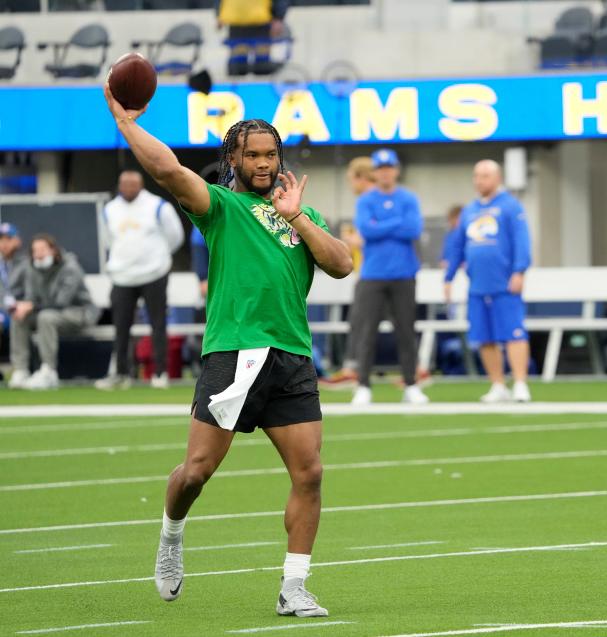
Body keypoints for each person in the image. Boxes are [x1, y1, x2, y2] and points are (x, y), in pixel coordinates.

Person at [104, 84, 353, 616]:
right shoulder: (219, 206)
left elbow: (341, 265)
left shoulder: (299, 215)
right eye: (253, 155)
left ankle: (294, 586)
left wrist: (299, 217)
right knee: (196, 471)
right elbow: (169, 171)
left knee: (309, 473)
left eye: (271, 155)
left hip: (292, 357)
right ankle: (171, 536)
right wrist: (127, 125)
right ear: (233, 160)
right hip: (234, 354)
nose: (264, 164)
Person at [444, 160, 532, 403]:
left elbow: (522, 241)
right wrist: (449, 276)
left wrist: (519, 271)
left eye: (484, 176)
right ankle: (497, 384)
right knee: (484, 336)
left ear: (497, 177)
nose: (479, 180)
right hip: (477, 285)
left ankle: (521, 383)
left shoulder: (510, 206)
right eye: (476, 176)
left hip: (503, 283)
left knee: (514, 333)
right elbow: (458, 245)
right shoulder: (470, 210)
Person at [350, 148, 429, 406]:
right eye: (380, 169)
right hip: (372, 274)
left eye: (389, 168)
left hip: (404, 273)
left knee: (406, 330)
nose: (385, 173)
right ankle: (363, 384)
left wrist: (382, 224)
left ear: (396, 170)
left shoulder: (409, 198)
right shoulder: (365, 201)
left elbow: (414, 228)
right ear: (376, 172)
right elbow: (366, 230)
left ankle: (411, 383)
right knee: (367, 331)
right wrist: (395, 222)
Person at [95, 170, 185, 390]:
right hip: (122, 275)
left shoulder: (158, 206)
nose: (128, 188)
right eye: (124, 184)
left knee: (158, 324)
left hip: (154, 273)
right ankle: (121, 373)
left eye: (132, 184)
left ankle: (160, 373)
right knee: (121, 326)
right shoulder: (109, 209)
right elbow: (108, 240)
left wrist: (159, 257)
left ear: (141, 185)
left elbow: (175, 236)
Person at [9, 233, 99, 390]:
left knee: (45, 317)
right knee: (19, 317)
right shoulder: (32, 267)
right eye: (35, 250)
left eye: (43, 249)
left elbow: (61, 302)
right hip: (49, 313)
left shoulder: (70, 266)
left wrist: (32, 306)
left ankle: (48, 371)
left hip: (79, 312)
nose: (39, 254)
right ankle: (20, 370)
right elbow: (31, 297)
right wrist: (23, 307)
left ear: (53, 250)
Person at [319, 156, 375, 391]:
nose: (351, 185)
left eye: (352, 179)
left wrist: (353, 240)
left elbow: (373, 236)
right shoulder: (368, 200)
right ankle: (355, 369)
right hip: (367, 271)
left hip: (374, 272)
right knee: (363, 321)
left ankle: (353, 370)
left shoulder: (370, 200)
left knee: (361, 321)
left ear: (361, 178)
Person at [216, 0, 288, 76]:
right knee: (237, 67)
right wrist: (219, 14)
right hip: (236, 23)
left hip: (261, 22)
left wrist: (278, 18)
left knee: (262, 66)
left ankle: (262, 83)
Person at [0, 222, 27, 333]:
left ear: (17, 241)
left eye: (9, 239)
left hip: (20, 309)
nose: (4, 243)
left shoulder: (27, 263)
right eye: (1, 239)